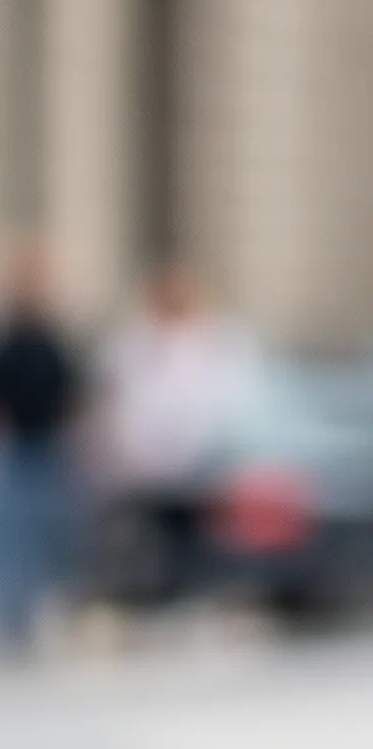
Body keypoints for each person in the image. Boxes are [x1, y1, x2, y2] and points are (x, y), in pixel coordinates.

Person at [87, 260, 262, 606]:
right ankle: (155, 599)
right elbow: (116, 403)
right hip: (147, 470)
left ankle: (198, 597)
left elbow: (233, 402)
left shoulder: (220, 341)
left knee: (203, 539)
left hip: (204, 467)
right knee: (150, 541)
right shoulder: (132, 344)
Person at [0, 243, 83, 645]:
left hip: (46, 450)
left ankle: (36, 608)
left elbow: (69, 392)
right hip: (13, 450)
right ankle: (6, 612)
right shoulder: (3, 340)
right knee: (9, 535)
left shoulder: (53, 340)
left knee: (43, 535)